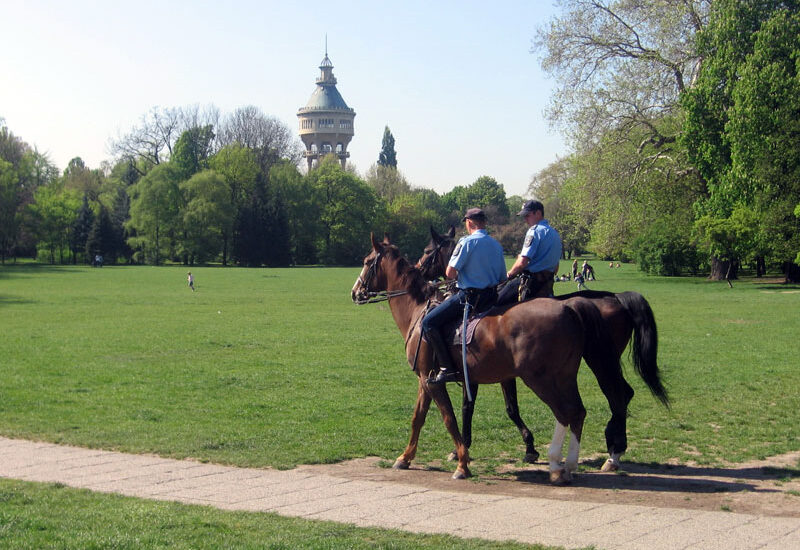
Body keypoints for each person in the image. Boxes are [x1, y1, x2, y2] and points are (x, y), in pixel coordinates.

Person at [423, 208, 506, 385]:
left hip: (468, 298)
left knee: (428, 323)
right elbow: (502, 278)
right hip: (491, 299)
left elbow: (450, 273)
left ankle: (447, 369)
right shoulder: (496, 245)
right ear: (484, 222)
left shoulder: (466, 242)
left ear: (469, 223)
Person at [498, 199, 562, 305]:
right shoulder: (554, 233)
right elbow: (556, 268)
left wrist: (508, 275)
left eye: (527, 215)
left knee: (493, 303)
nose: (525, 219)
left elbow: (522, 262)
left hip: (531, 284)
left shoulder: (534, 231)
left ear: (538, 213)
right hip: (547, 286)